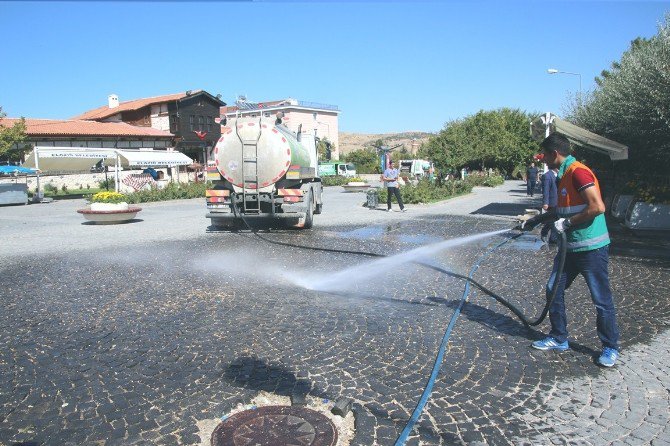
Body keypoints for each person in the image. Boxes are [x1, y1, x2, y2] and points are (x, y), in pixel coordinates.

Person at [521, 133, 620, 367]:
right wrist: (535, 221)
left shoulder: (578, 172)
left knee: (601, 299)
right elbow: (561, 210)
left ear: (555, 153)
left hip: (591, 249)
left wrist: (568, 223)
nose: (543, 159)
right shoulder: (563, 175)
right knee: (552, 289)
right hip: (570, 249)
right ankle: (558, 337)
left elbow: (597, 207)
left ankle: (610, 347)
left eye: (544, 154)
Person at [540, 167, 559, 243]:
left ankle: (544, 231)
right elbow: (545, 190)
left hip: (559, 202)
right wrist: (545, 202)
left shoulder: (560, 175)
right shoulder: (547, 175)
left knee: (553, 220)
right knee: (553, 221)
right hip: (551, 202)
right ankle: (553, 240)